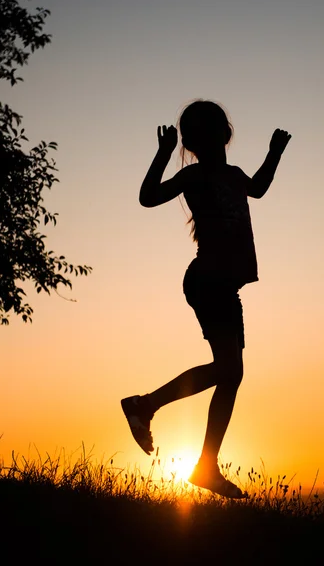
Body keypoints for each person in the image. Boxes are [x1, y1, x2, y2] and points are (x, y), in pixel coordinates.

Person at [122, 100, 291, 498]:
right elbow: (147, 197)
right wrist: (163, 155)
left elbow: (260, 189)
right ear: (197, 139)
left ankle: (204, 465)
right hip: (207, 280)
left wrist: (274, 155)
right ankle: (145, 407)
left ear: (225, 134)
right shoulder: (194, 176)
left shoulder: (234, 175)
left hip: (225, 285)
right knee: (229, 369)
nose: (213, 136)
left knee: (231, 374)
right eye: (204, 131)